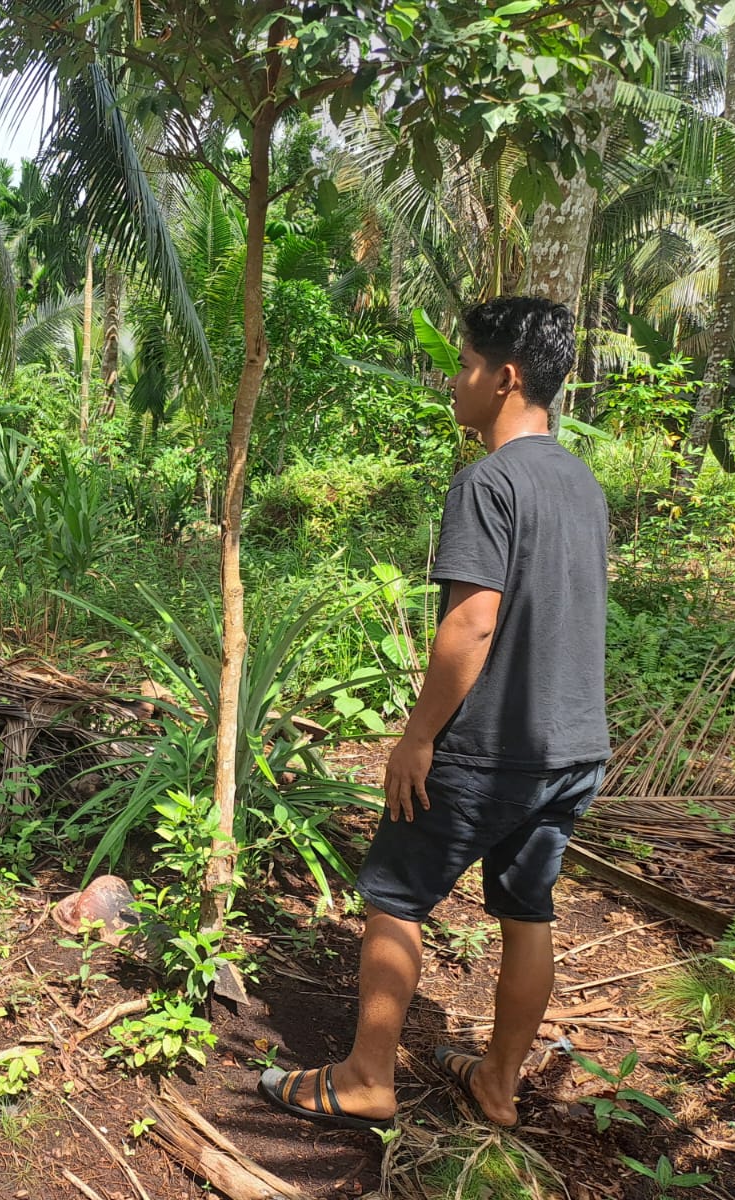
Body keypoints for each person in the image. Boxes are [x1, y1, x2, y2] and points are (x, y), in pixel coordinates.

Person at [258, 296, 609, 1132]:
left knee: (395, 892)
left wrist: (418, 737)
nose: (455, 381)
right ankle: (496, 1084)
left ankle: (366, 1077)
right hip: (572, 743)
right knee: (529, 909)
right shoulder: (583, 484)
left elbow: (472, 620)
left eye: (464, 366)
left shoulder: (489, 481)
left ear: (506, 377)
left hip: (489, 746)